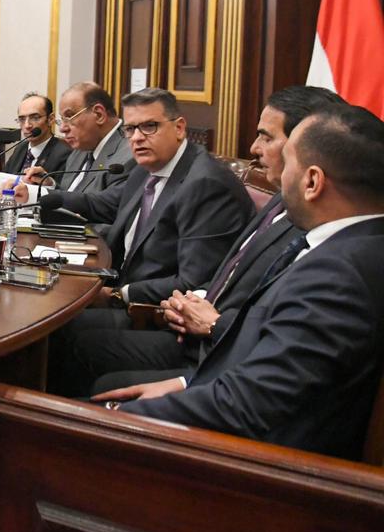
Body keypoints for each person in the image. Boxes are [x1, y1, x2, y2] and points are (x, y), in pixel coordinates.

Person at [95, 104, 384, 460]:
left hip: (253, 469)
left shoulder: (337, 274)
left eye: (288, 162)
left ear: (312, 182)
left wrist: (115, 417)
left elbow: (249, 405)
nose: (278, 175)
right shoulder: (357, 246)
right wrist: (187, 384)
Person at [66, 86, 343, 394]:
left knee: (76, 342)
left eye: (266, 137)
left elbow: (269, 326)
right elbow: (230, 274)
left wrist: (122, 297)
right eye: (130, 129)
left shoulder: (213, 185)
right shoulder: (282, 200)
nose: (253, 148)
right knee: (69, 329)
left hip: (206, 341)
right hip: (188, 318)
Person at [21, 88, 252, 396]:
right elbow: (104, 204)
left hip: (159, 316)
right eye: (130, 129)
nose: (138, 138)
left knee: (62, 333)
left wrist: (117, 295)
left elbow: (192, 281)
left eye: (149, 126)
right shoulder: (148, 167)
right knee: (44, 312)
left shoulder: (205, 184)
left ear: (179, 128)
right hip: (124, 288)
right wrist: (40, 194)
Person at [24, 82, 131, 194]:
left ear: (99, 115)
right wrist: (50, 185)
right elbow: (72, 194)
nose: (62, 129)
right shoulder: (79, 151)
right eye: (62, 120)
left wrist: (43, 196)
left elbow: (102, 203)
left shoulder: (128, 157)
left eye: (69, 117)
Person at [3, 92, 70, 176]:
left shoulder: (64, 153)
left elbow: (63, 184)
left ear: (50, 119)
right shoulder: (21, 148)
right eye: (22, 119)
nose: (27, 125)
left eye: (35, 118)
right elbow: (5, 177)